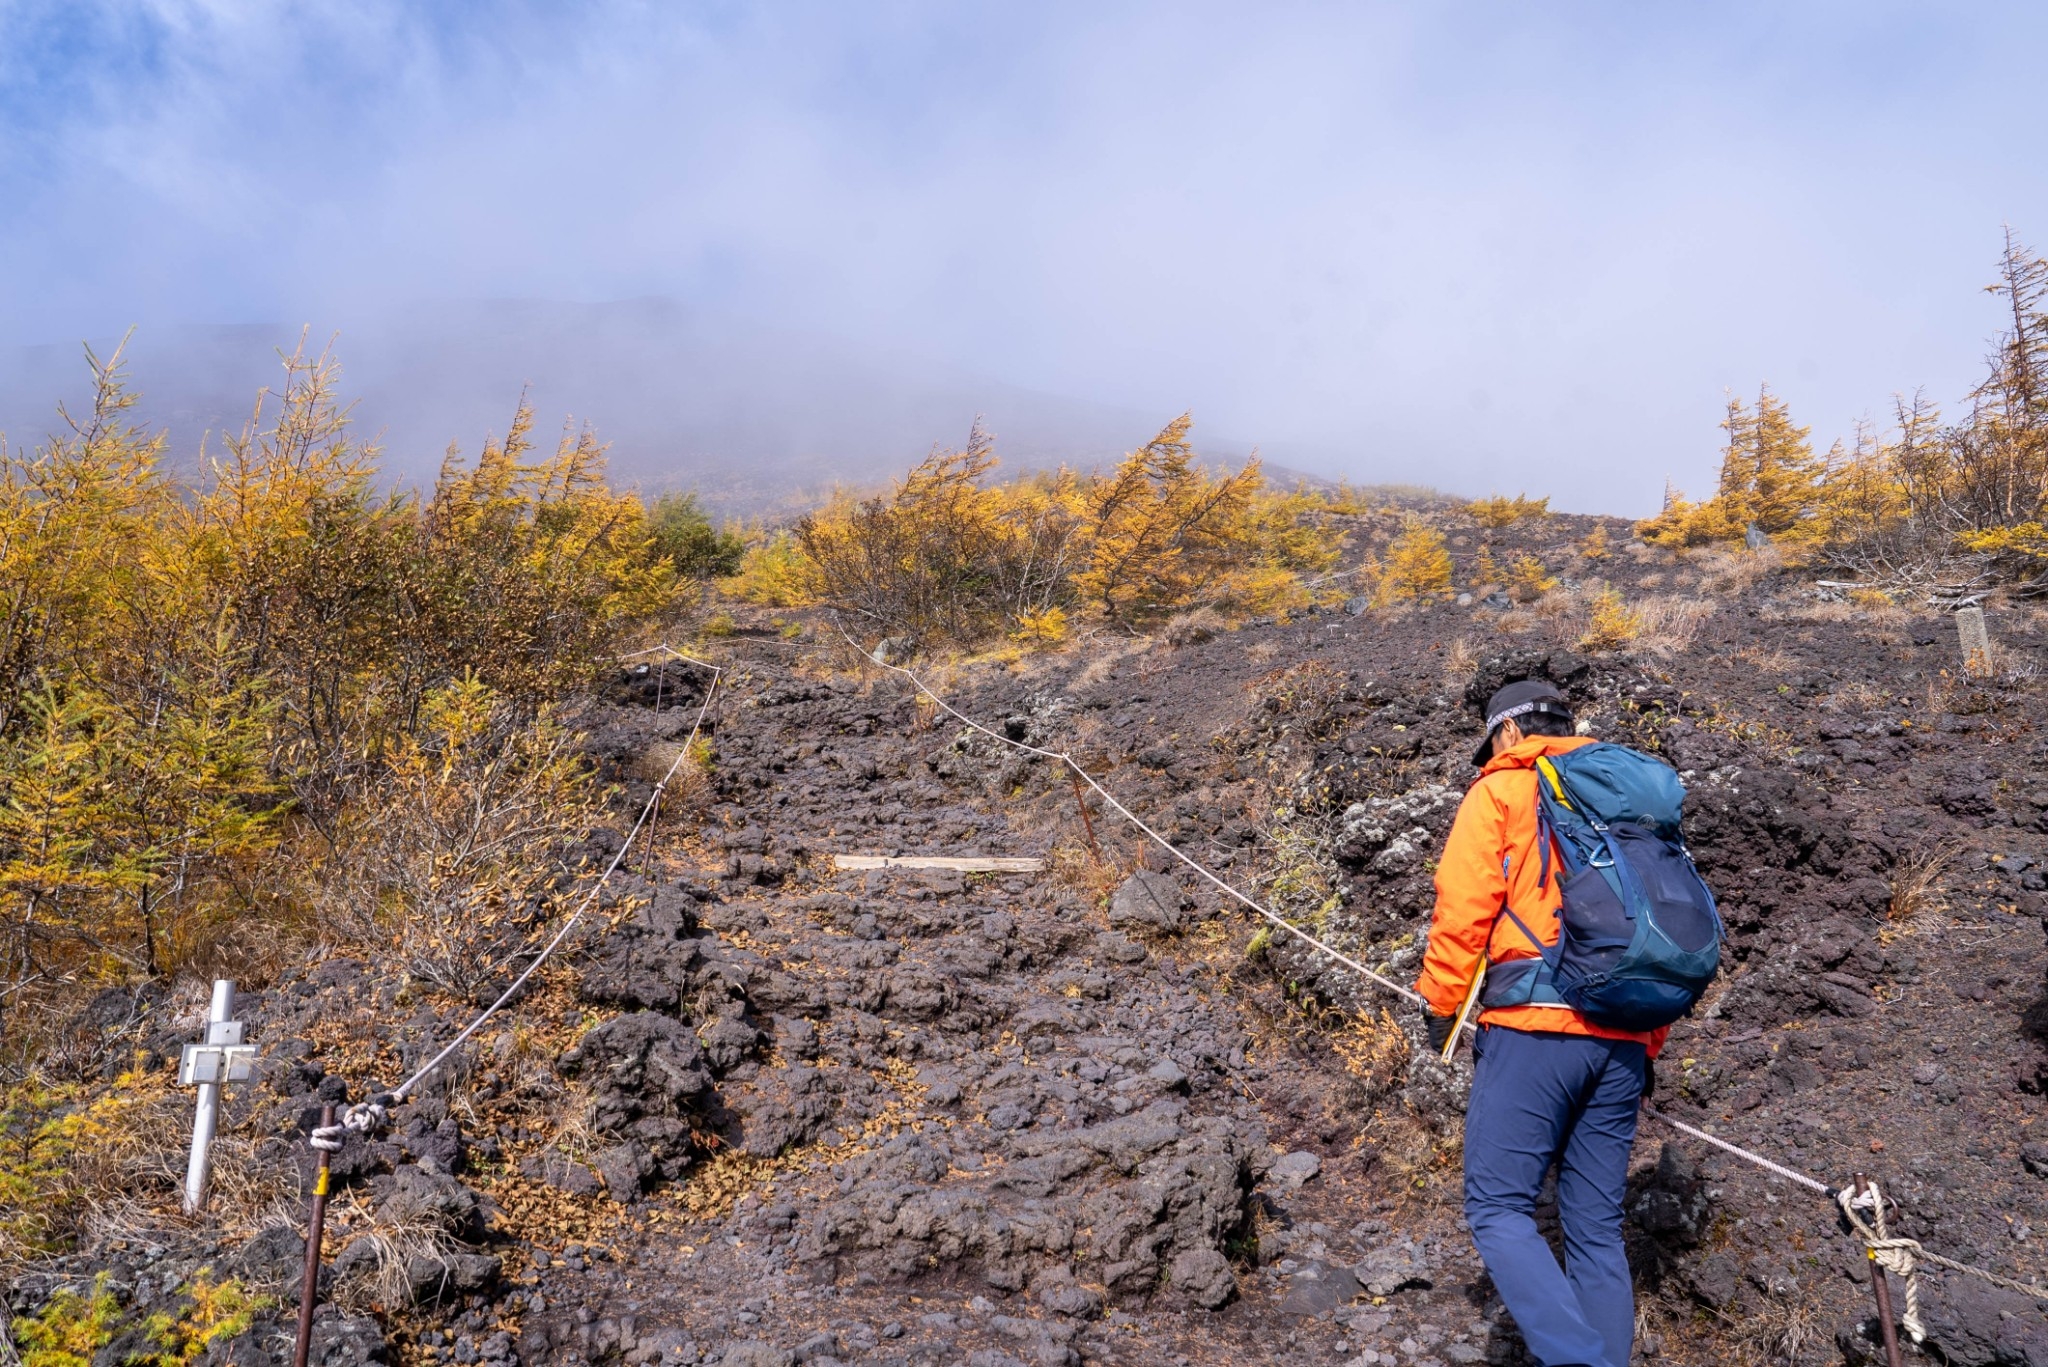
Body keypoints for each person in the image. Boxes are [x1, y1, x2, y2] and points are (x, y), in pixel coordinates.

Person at [1416, 679, 1667, 1367]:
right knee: (1593, 1231)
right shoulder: (1626, 802)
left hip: (1532, 1030)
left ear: (1506, 734)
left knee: (1497, 1208)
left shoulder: (1500, 791)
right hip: (1623, 1038)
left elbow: (1463, 911)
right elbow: (1662, 926)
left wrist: (1440, 1009)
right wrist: (1647, 1039)